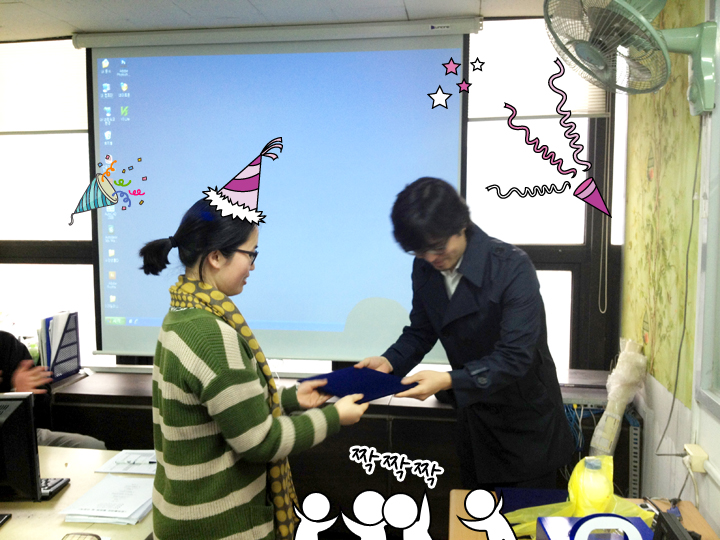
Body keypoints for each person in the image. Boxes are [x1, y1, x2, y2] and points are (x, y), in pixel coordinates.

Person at [141, 198, 368, 540]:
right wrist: (334, 417)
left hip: (185, 517)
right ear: (216, 256)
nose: (253, 266)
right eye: (251, 254)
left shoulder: (181, 315)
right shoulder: (211, 335)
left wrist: (290, 399)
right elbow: (260, 442)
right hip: (219, 526)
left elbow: (227, 409)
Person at [357, 177, 574, 491]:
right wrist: (389, 362)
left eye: (438, 247)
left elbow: (514, 357)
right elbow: (421, 330)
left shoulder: (511, 267)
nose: (431, 258)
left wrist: (448, 380)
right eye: (419, 251)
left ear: (461, 225)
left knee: (524, 518)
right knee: (474, 514)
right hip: (474, 422)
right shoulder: (425, 267)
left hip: (526, 426)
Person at [0, 330, 106, 449]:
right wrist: (13, 395)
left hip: (21, 433)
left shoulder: (6, 343)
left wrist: (23, 395)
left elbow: (43, 403)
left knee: (92, 446)